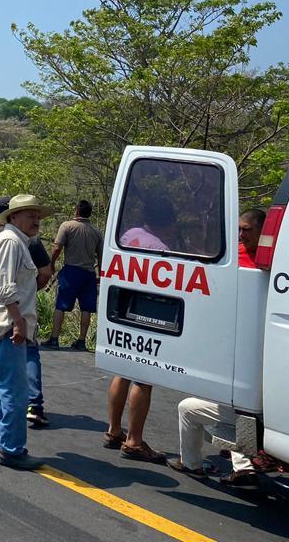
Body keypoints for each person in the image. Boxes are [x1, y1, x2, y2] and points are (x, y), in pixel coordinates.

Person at [0, 194, 52, 470]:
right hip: (7, 327)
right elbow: (5, 287)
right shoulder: (11, 242)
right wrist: (18, 321)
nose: (37, 220)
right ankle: (12, 449)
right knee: (14, 394)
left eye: (38, 216)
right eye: (31, 215)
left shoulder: (11, 241)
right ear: (14, 217)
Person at [104, 196, 176, 464]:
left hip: (122, 309)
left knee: (122, 371)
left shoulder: (129, 235)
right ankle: (134, 441)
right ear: (167, 221)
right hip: (147, 312)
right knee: (143, 378)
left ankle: (114, 431)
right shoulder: (161, 249)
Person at [44, 200, 103, 349]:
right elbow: (101, 256)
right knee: (86, 308)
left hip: (71, 271)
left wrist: (51, 263)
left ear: (76, 211)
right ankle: (81, 341)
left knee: (61, 305)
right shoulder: (96, 232)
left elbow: (57, 247)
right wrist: (101, 275)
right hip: (89, 273)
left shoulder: (67, 226)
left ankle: (54, 338)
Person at [168, 397, 258, 485]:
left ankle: (190, 464)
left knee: (186, 407)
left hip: (249, 413)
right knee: (237, 411)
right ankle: (243, 469)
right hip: (260, 415)